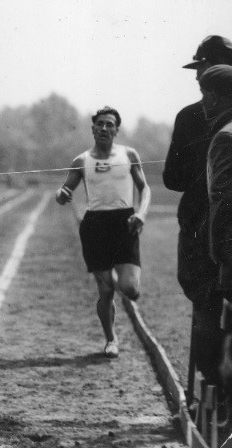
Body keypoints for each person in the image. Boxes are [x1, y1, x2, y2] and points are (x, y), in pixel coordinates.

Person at [164, 35, 232, 388]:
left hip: (201, 228)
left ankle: (211, 388)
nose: (196, 77)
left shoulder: (191, 115)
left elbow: (172, 179)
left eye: (200, 67)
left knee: (206, 305)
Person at [55, 106, 151, 359]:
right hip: (95, 224)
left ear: (117, 130)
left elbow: (145, 189)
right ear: (93, 129)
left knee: (129, 288)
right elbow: (64, 191)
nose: (105, 128)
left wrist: (141, 213)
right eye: (100, 124)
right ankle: (111, 339)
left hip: (125, 222)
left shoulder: (129, 154)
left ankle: (124, 283)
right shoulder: (81, 161)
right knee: (106, 290)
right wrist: (61, 194)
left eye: (110, 124)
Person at [201, 65, 232, 398]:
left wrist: (218, 251)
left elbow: (222, 199)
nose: (203, 102)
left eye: (205, 94)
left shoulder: (225, 136)